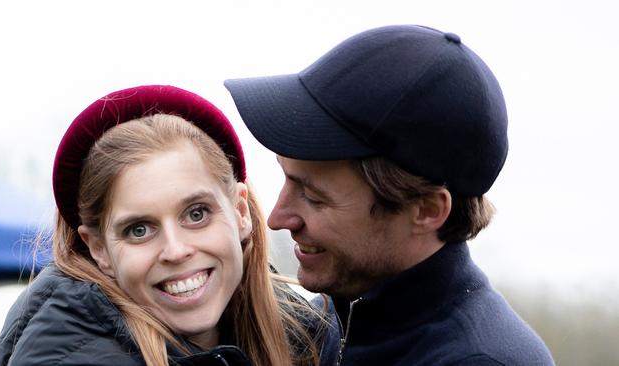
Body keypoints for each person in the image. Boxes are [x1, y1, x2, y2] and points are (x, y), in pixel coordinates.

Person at [224, 25, 555, 365]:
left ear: (425, 210)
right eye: (287, 178)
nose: (277, 218)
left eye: (314, 196)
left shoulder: (476, 359)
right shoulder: (333, 320)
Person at [0, 85, 329, 366]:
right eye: (139, 230)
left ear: (240, 211)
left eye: (196, 214)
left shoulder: (311, 334)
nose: (176, 250)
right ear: (99, 249)